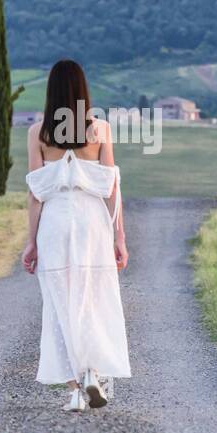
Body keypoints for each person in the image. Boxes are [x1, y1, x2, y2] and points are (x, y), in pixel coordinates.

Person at [21, 60, 130, 412]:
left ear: (50, 92)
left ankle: (74, 390)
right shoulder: (99, 130)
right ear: (83, 91)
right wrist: (120, 237)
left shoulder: (38, 132)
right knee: (92, 300)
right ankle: (92, 374)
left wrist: (31, 242)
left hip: (56, 222)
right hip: (92, 222)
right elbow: (112, 187)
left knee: (59, 303)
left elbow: (36, 193)